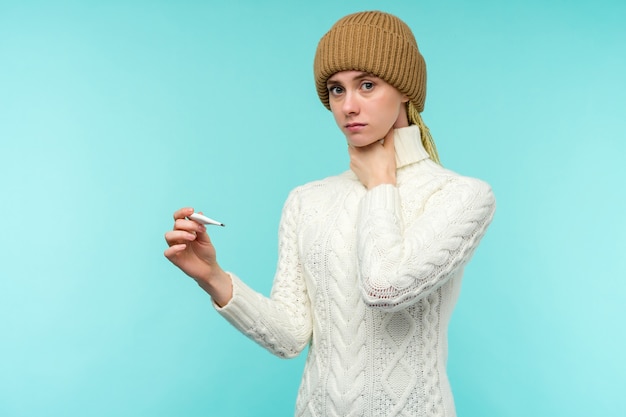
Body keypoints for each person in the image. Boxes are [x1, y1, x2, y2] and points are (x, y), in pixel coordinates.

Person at [164, 10, 496, 417]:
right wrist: (213, 277)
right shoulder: (307, 200)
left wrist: (381, 184)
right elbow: (290, 336)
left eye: (367, 85)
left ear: (406, 89)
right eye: (336, 90)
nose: (348, 106)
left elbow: (384, 288)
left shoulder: (461, 196)